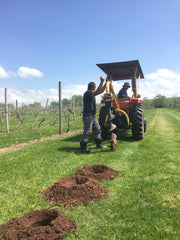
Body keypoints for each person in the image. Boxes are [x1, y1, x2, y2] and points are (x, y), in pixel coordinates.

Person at [80, 76, 106, 154]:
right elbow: (98, 91)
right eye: (95, 87)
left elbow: (100, 91)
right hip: (88, 116)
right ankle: (83, 148)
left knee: (98, 129)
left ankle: (99, 144)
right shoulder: (88, 93)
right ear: (92, 87)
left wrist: (106, 83)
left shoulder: (92, 93)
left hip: (92, 116)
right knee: (87, 131)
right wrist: (101, 82)